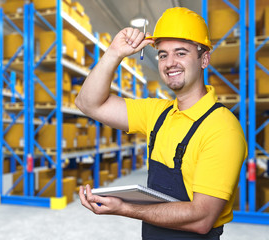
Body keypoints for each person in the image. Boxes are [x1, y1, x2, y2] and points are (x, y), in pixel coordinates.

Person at [76, 7, 247, 240]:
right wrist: (114, 53)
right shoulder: (158, 113)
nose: (169, 63)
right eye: (163, 54)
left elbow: (202, 218)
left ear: (204, 59)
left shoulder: (222, 128)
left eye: (181, 53)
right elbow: (88, 104)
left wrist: (124, 208)